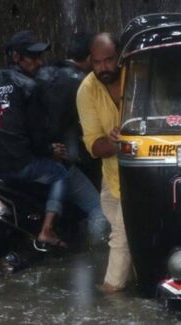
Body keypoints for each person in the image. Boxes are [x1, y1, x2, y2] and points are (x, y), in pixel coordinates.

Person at [0, 30, 68, 247]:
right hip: (17, 163)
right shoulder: (30, 87)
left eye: (40, 57)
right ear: (16, 57)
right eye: (33, 57)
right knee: (60, 175)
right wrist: (50, 150)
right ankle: (47, 230)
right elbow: (36, 139)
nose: (39, 62)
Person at [36, 32, 108, 241]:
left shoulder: (41, 73)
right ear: (88, 59)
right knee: (98, 210)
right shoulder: (84, 85)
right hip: (58, 159)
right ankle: (95, 255)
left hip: (33, 155)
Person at [77, 32, 132, 293]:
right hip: (111, 178)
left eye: (109, 60)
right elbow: (94, 146)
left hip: (142, 174)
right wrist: (115, 143)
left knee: (120, 236)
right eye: (97, 62)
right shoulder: (86, 91)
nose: (104, 68)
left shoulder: (138, 76)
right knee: (124, 234)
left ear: (120, 56)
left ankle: (111, 295)